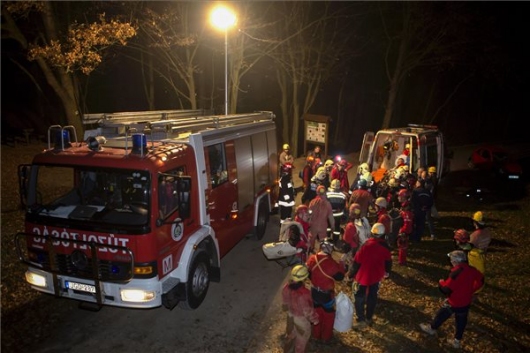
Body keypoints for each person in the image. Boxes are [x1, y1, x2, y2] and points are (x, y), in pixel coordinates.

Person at [420, 250, 484, 349]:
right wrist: (472, 290)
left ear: (455, 261)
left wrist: (441, 283)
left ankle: (432, 329)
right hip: (466, 301)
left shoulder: (456, 273)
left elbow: (446, 289)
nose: (451, 262)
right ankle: (457, 341)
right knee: (461, 321)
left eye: (451, 260)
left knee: (441, 314)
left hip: (454, 302)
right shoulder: (472, 269)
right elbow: (481, 279)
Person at [347, 223, 392, 329]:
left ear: (372, 233)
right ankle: (369, 318)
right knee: (372, 297)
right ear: (383, 235)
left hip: (362, 277)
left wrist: (350, 275)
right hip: (376, 277)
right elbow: (388, 262)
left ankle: (361, 319)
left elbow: (356, 263)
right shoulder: (385, 247)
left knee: (359, 297)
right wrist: (387, 272)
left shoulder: (365, 246)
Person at [306, 238, 345, 343]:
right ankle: (326, 337)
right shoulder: (331, 263)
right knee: (328, 316)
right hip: (327, 295)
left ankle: (315, 334)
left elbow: (308, 274)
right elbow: (340, 277)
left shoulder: (312, 259)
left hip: (314, 293)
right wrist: (341, 264)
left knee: (316, 314)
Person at [281, 265, 319, 353]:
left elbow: (285, 304)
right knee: (301, 341)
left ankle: (287, 349)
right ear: (304, 278)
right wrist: (315, 319)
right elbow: (307, 311)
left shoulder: (286, 287)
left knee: (291, 333)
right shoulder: (304, 294)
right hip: (301, 321)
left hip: (290, 316)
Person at [453, 229, 485, 294]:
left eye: (456, 240)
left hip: (474, 285)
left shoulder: (469, 255)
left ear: (459, 241)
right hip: (479, 281)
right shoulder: (473, 249)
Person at [308, 185, 335, 252]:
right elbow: (330, 217)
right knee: (323, 241)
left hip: (313, 225)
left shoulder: (312, 202)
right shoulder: (328, 204)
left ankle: (310, 251)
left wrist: (308, 223)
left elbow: (309, 214)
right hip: (323, 226)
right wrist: (332, 226)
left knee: (311, 239)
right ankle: (321, 253)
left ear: (317, 192)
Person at [397, 189, 413, 265]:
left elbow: (408, 223)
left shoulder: (407, 209)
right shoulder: (404, 206)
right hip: (404, 228)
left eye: (399, 196)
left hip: (404, 231)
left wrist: (402, 231)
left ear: (404, 197)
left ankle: (402, 261)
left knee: (402, 246)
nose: (398, 198)